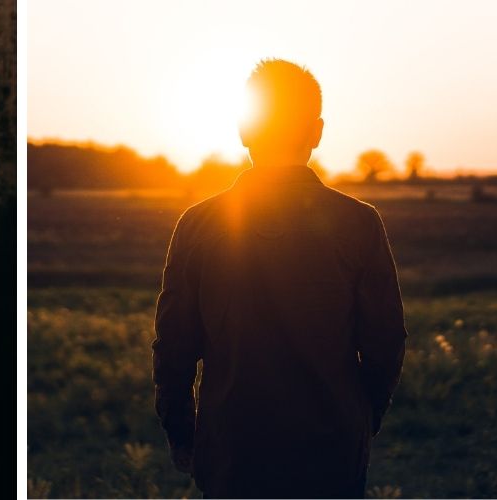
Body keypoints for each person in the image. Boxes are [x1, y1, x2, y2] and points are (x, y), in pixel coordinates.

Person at [152, 59, 407, 497]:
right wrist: (363, 420)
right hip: (331, 453)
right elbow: (385, 343)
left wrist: (183, 435)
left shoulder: (197, 225)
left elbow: (173, 348)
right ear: (317, 132)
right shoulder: (358, 224)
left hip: (232, 452)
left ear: (245, 130)